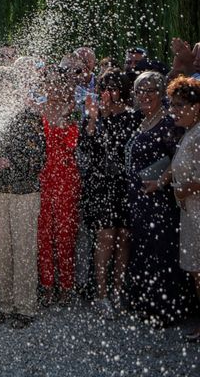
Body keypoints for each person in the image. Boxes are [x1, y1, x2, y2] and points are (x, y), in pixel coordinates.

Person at [0, 67, 45, 329]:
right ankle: (6, 304)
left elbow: (38, 158)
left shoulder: (30, 116)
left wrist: (6, 162)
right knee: (1, 250)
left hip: (23, 193)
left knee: (23, 250)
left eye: (3, 87)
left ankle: (26, 307)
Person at [125, 71, 188, 325]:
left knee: (161, 251)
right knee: (144, 249)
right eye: (140, 90)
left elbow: (179, 159)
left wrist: (161, 182)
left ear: (162, 93)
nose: (145, 95)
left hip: (159, 199)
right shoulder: (142, 120)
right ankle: (146, 304)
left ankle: (165, 310)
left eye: (150, 90)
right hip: (139, 198)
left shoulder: (169, 123)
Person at [80, 69, 140, 317]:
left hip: (124, 184)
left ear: (123, 91)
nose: (109, 93)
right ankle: (101, 295)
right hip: (101, 184)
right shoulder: (91, 117)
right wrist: (95, 119)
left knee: (124, 238)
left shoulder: (132, 117)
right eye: (105, 87)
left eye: (114, 88)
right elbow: (86, 149)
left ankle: (118, 292)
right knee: (104, 239)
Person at [38, 65, 81, 306]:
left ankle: (66, 285)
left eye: (59, 84)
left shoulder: (74, 113)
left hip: (66, 178)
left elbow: (74, 145)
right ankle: (46, 285)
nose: (54, 89)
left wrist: (64, 117)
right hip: (43, 179)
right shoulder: (38, 113)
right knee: (43, 234)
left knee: (65, 234)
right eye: (50, 83)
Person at [168, 76, 200, 341]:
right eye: (173, 105)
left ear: (196, 106)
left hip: (198, 211)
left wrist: (184, 189)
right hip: (191, 211)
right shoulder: (191, 132)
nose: (174, 111)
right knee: (196, 269)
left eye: (179, 105)